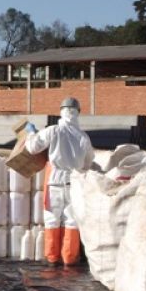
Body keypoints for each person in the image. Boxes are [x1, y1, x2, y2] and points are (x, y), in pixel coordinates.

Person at [25, 97, 94, 266]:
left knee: (51, 220)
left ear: (61, 111)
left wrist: (31, 132)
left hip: (54, 183)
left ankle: (52, 260)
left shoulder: (53, 130)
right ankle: (69, 260)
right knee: (72, 221)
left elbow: (32, 147)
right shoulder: (83, 137)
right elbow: (87, 163)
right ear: (78, 112)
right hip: (74, 184)